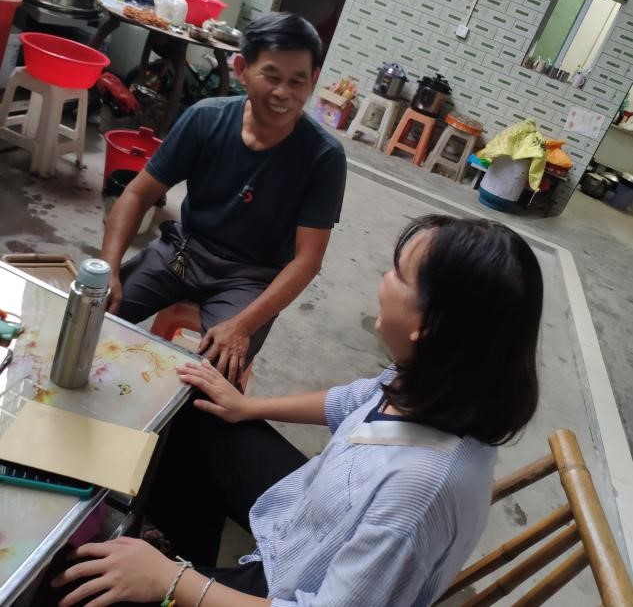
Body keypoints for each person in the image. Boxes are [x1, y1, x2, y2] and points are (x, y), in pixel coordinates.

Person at [52, 215, 543, 607]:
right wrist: (245, 406)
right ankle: (190, 555)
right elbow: (353, 400)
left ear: (429, 325)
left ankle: (186, 572)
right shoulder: (439, 379)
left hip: (292, 587)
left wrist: (172, 581)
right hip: (310, 514)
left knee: (74, 585)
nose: (383, 277)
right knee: (198, 408)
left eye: (398, 273)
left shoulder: (417, 496)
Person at [101, 12, 347, 384]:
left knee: (214, 379)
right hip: (184, 251)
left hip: (252, 278)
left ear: (313, 79)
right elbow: (137, 193)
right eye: (272, 76)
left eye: (298, 81)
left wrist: (243, 325)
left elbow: (307, 260)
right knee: (94, 310)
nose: (284, 93)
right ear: (242, 69)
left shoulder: (323, 156)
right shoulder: (205, 119)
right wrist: (108, 268)